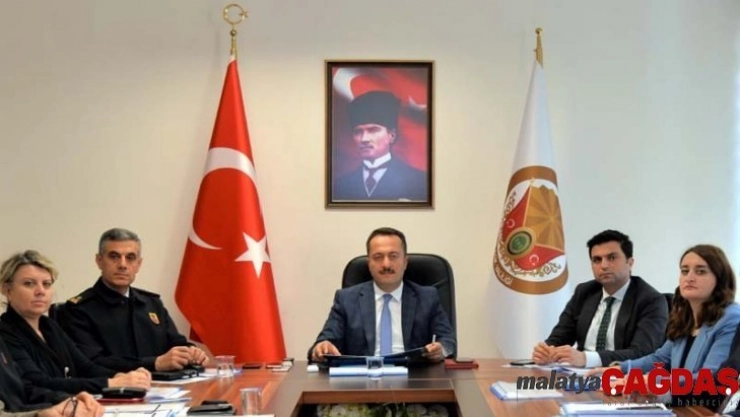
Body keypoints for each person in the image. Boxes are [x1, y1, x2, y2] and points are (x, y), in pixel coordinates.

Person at [592, 244, 740, 407]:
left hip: (704, 409)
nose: (689, 277)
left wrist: (650, 382)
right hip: (677, 405)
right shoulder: (685, 316)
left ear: (720, 279)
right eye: (685, 271)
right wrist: (620, 369)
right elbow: (661, 359)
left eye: (700, 271)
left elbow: (710, 377)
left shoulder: (731, 318)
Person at [0, 250, 151, 395]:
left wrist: (120, 376)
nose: (40, 291)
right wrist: (110, 383)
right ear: (7, 290)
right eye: (29, 283)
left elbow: (85, 367)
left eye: (46, 284)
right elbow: (39, 383)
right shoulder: (5, 332)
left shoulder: (49, 326)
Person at [59, 228, 208, 372]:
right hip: (113, 388)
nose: (122, 265)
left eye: (130, 258)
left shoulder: (152, 303)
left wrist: (191, 352)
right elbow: (91, 362)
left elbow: (176, 343)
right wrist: (155, 363)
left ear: (138, 264)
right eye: (114, 256)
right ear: (99, 261)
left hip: (165, 386)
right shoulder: (78, 310)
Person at [308, 227, 455, 362]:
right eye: (378, 257)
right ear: (369, 263)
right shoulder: (346, 299)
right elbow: (325, 341)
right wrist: (321, 347)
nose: (386, 264)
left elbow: (448, 340)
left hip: (414, 375)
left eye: (393, 256)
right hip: (362, 376)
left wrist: (441, 349)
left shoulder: (427, 297)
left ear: (405, 262)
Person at [531, 230, 669, 367]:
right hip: (579, 374)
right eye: (597, 260)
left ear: (630, 262)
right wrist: (546, 351)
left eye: (612, 258)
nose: (604, 265)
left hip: (620, 375)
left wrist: (587, 359)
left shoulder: (651, 300)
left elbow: (642, 353)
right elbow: (560, 337)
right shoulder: (584, 292)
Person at [333, 91, 428, 201]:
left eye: (373, 130)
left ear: (391, 135)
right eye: (358, 132)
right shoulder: (340, 185)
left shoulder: (419, 181)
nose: (364, 139)